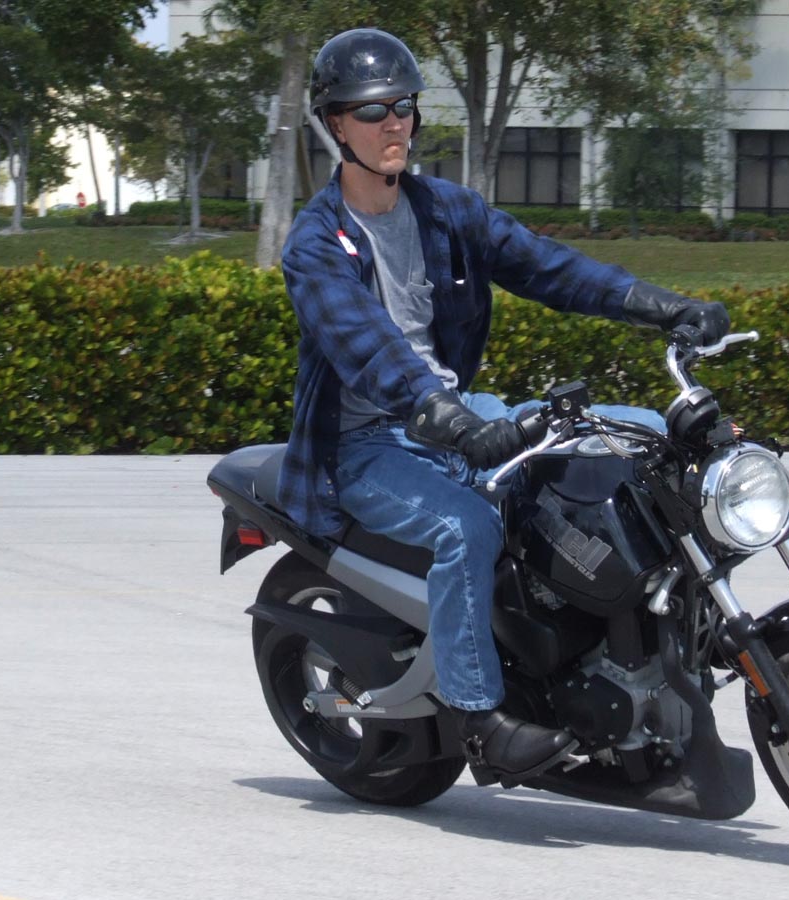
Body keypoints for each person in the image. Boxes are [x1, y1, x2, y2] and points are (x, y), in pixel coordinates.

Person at [278, 28, 730, 783]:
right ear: (335, 125)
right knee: (468, 527)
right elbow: (370, 350)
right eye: (372, 111)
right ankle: (480, 719)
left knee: (644, 442)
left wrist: (667, 308)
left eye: (403, 107)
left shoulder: (445, 211)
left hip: (453, 414)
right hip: (365, 444)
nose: (393, 124)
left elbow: (551, 268)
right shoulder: (317, 244)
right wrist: (452, 422)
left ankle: (648, 642)